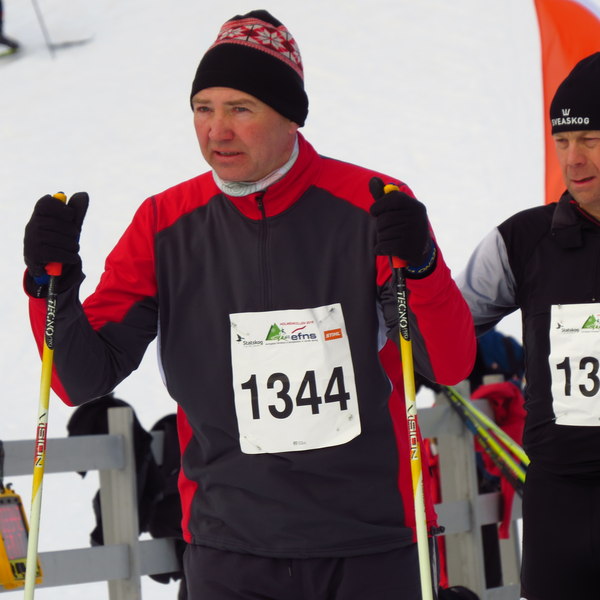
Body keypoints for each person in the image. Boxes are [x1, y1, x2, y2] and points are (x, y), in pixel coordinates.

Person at [22, 10, 476, 599]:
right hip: (230, 550)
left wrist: (422, 268)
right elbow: (80, 377)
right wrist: (50, 287)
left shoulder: (371, 208)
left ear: (290, 117)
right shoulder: (164, 224)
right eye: (203, 108)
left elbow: (450, 363)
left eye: (240, 108)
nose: (217, 131)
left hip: (371, 541)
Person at [457, 52, 600, 600]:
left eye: (589, 139)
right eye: (562, 141)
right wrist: (415, 268)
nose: (573, 158)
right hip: (559, 506)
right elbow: (441, 327)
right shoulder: (522, 241)